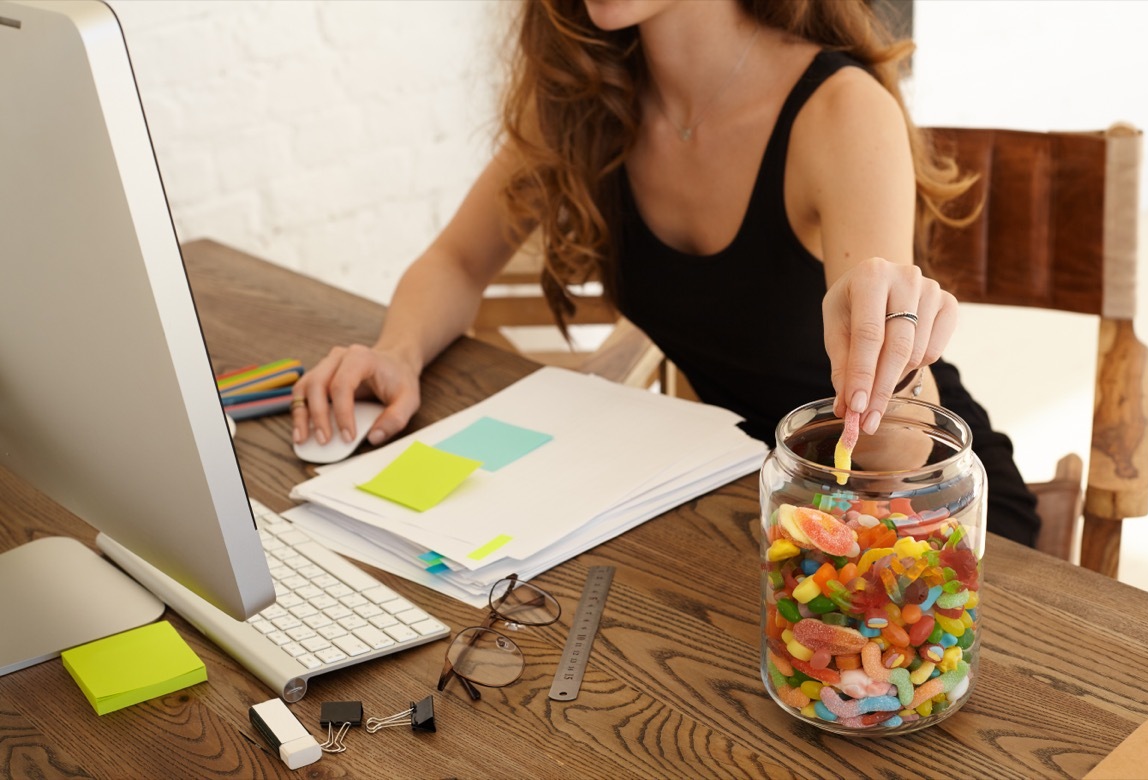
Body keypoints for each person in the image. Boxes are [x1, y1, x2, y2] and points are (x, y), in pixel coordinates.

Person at [290, 0, 1041, 546]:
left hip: (925, 514)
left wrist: (890, 364)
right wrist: (395, 351)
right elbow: (457, 260)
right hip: (747, 503)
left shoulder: (841, 112)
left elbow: (898, 454)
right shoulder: (588, 105)